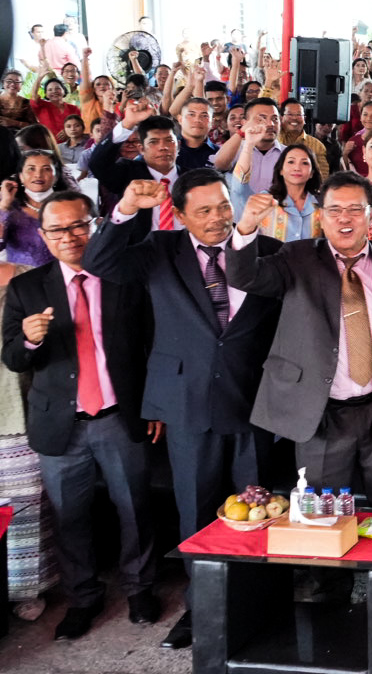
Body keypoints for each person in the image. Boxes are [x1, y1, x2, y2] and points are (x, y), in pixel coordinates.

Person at [82, 169, 283, 650]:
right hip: (186, 404)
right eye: (204, 211)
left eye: (222, 207)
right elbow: (100, 260)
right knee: (197, 512)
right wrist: (127, 208)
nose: (217, 219)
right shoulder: (159, 251)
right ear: (182, 214)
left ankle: (258, 602)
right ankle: (202, 609)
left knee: (260, 511)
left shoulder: (265, 249)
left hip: (252, 402)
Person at [1, 191, 160, 640]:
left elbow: (150, 345)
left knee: (135, 508)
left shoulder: (124, 279)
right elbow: (13, 357)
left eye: (79, 225)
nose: (70, 237)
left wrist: (153, 405)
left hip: (119, 416)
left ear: (95, 225)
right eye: (58, 229)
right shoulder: (27, 287)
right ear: (43, 235)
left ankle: (140, 588)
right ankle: (83, 598)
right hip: (59, 424)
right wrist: (30, 339)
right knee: (70, 517)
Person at [227, 174, 372, 511]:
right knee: (322, 518)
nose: (345, 218)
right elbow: (245, 276)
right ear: (320, 215)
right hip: (321, 410)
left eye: (356, 209)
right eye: (334, 209)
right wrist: (246, 227)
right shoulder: (297, 258)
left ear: (371, 213)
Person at [88, 103, 181, 221]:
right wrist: (127, 124)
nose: (163, 147)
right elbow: (97, 163)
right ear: (141, 149)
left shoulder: (191, 178)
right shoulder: (127, 174)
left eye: (169, 141)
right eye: (153, 142)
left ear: (178, 146)